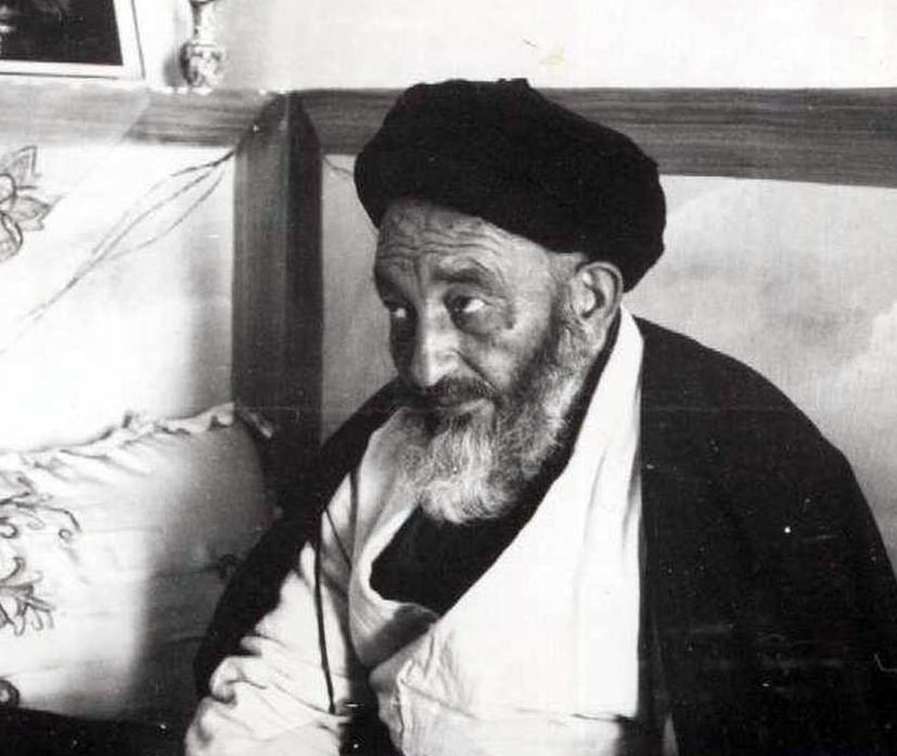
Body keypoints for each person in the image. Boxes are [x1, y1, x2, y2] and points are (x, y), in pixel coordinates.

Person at [187, 79, 897, 756]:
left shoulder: (748, 462)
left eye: (467, 305)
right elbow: (281, 689)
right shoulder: (395, 436)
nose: (424, 365)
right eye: (399, 308)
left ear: (588, 300)